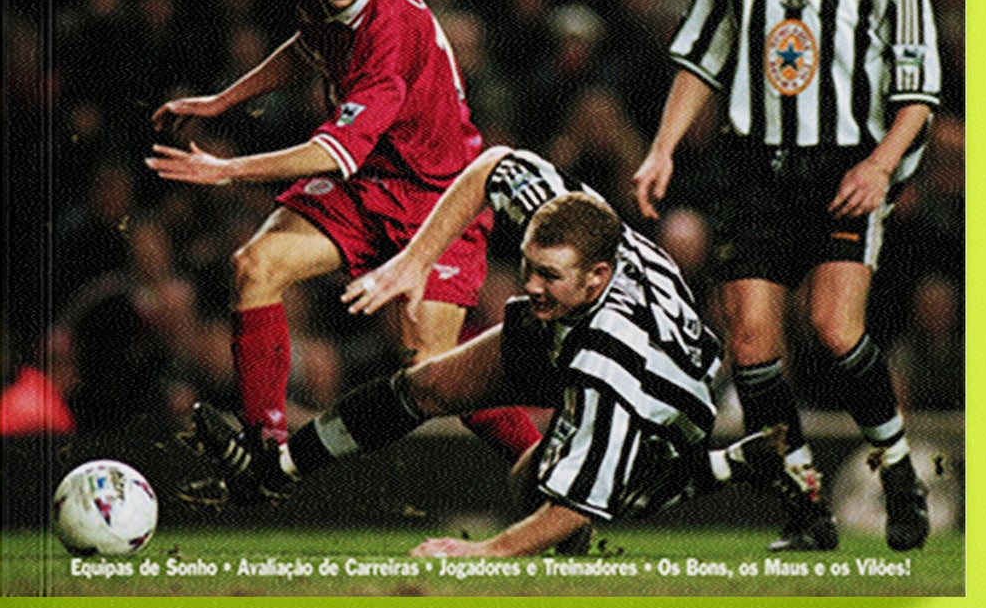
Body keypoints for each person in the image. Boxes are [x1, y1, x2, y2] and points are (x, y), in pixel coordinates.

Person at [194, 146, 822, 558]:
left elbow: (570, 506)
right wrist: (415, 261)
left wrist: (484, 552)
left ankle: (731, 464)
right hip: (579, 328)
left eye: (549, 275)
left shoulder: (611, 358)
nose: (530, 286)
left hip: (672, 393)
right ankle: (271, 471)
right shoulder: (564, 229)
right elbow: (493, 165)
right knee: (428, 386)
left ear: (597, 278)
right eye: (528, 267)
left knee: (549, 490)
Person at [145, 0, 538, 473]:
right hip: (366, 183)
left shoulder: (390, 33)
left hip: (436, 196)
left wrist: (227, 171)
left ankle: (542, 463)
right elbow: (311, 48)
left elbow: (332, 151)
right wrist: (222, 101)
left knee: (433, 372)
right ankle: (264, 452)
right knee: (255, 267)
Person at [633, 0, 942, 551]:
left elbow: (919, 92)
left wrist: (878, 165)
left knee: (835, 328)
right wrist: (662, 147)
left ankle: (899, 470)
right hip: (754, 168)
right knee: (749, 342)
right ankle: (805, 507)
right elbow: (699, 60)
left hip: (842, 166)